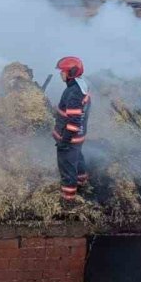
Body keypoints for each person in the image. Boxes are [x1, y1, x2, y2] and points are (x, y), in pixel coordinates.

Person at [53, 56, 91, 205]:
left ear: (71, 72)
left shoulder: (73, 93)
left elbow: (74, 120)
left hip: (69, 138)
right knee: (78, 160)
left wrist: (65, 140)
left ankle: (68, 201)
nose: (60, 74)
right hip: (79, 137)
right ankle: (82, 183)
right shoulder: (82, 86)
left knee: (67, 167)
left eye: (62, 71)